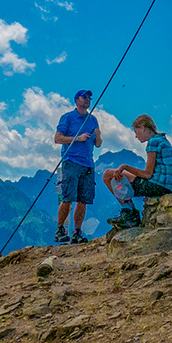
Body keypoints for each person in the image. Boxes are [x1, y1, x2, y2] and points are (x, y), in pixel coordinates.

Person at [103, 114, 172, 228]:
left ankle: (129, 213)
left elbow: (147, 174)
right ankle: (128, 212)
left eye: (136, 131)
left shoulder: (153, 142)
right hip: (166, 186)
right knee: (117, 175)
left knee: (108, 175)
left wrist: (125, 167)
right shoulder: (163, 140)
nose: (136, 136)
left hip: (156, 186)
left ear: (142, 127)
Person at [54, 89, 102, 244]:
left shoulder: (93, 120)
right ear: (76, 100)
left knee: (83, 199)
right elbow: (58, 138)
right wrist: (77, 138)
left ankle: (77, 232)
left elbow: (98, 143)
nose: (88, 100)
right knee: (68, 197)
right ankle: (60, 229)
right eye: (84, 97)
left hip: (88, 163)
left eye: (89, 98)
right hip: (71, 161)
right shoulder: (67, 117)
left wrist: (99, 136)